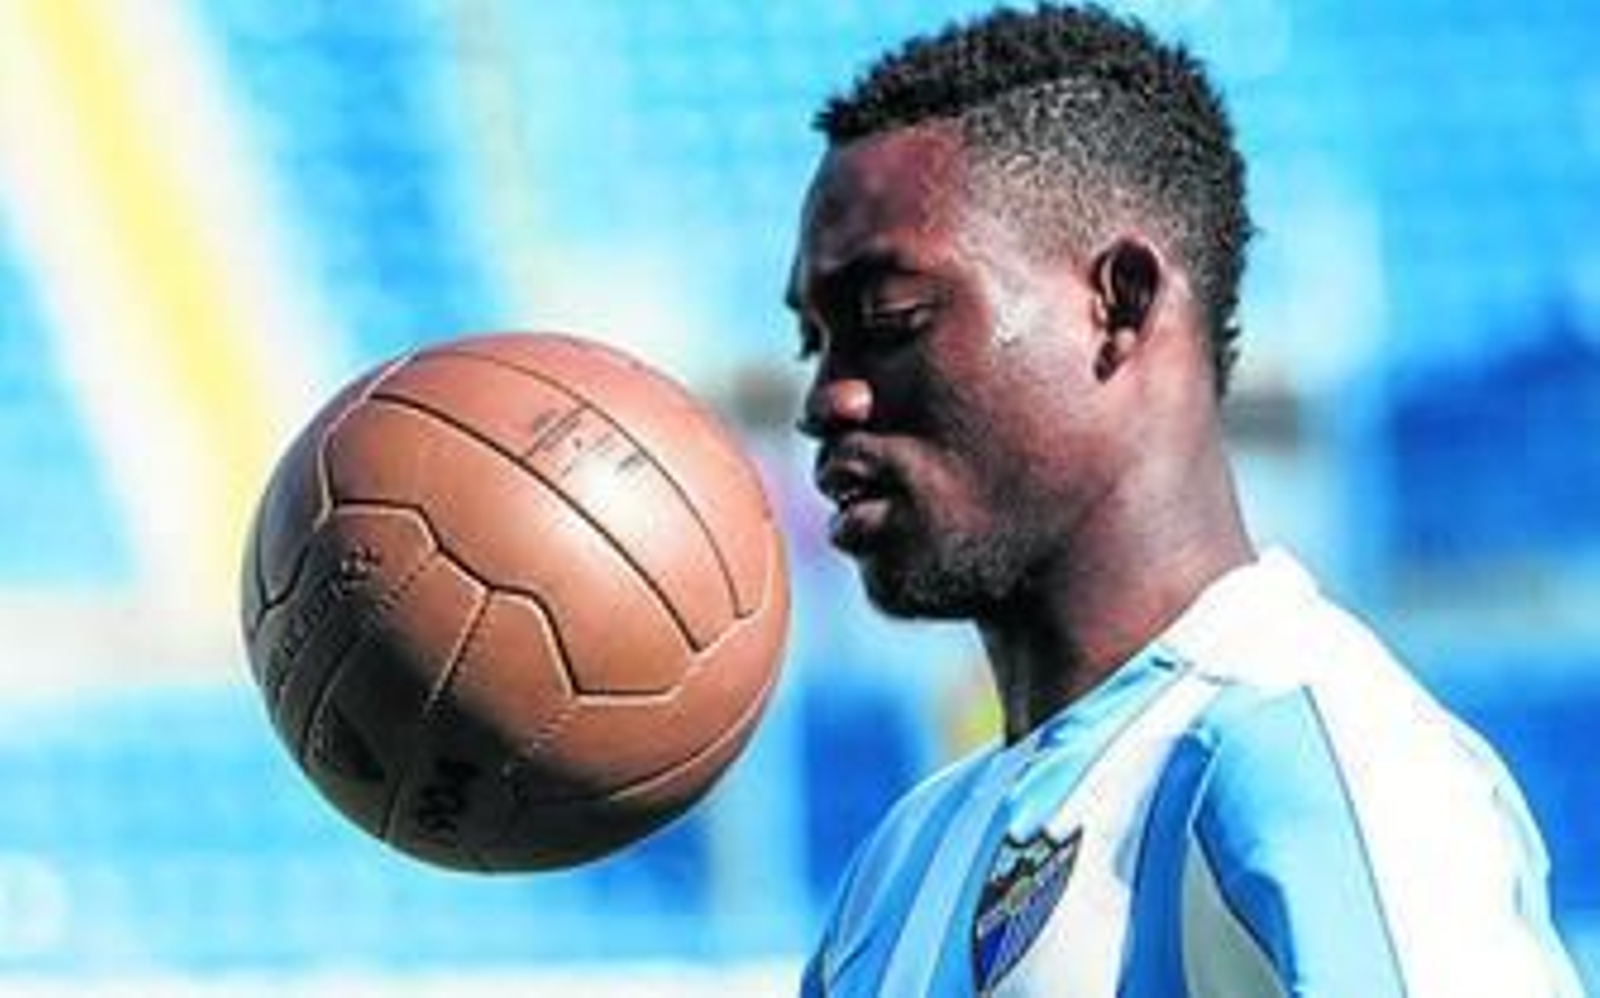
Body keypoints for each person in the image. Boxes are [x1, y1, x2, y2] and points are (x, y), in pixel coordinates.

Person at [782, 4, 1583, 995]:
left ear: (1120, 302)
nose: (828, 397)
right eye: (813, 340)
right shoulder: (900, 866)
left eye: (889, 319)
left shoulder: (1313, 763)